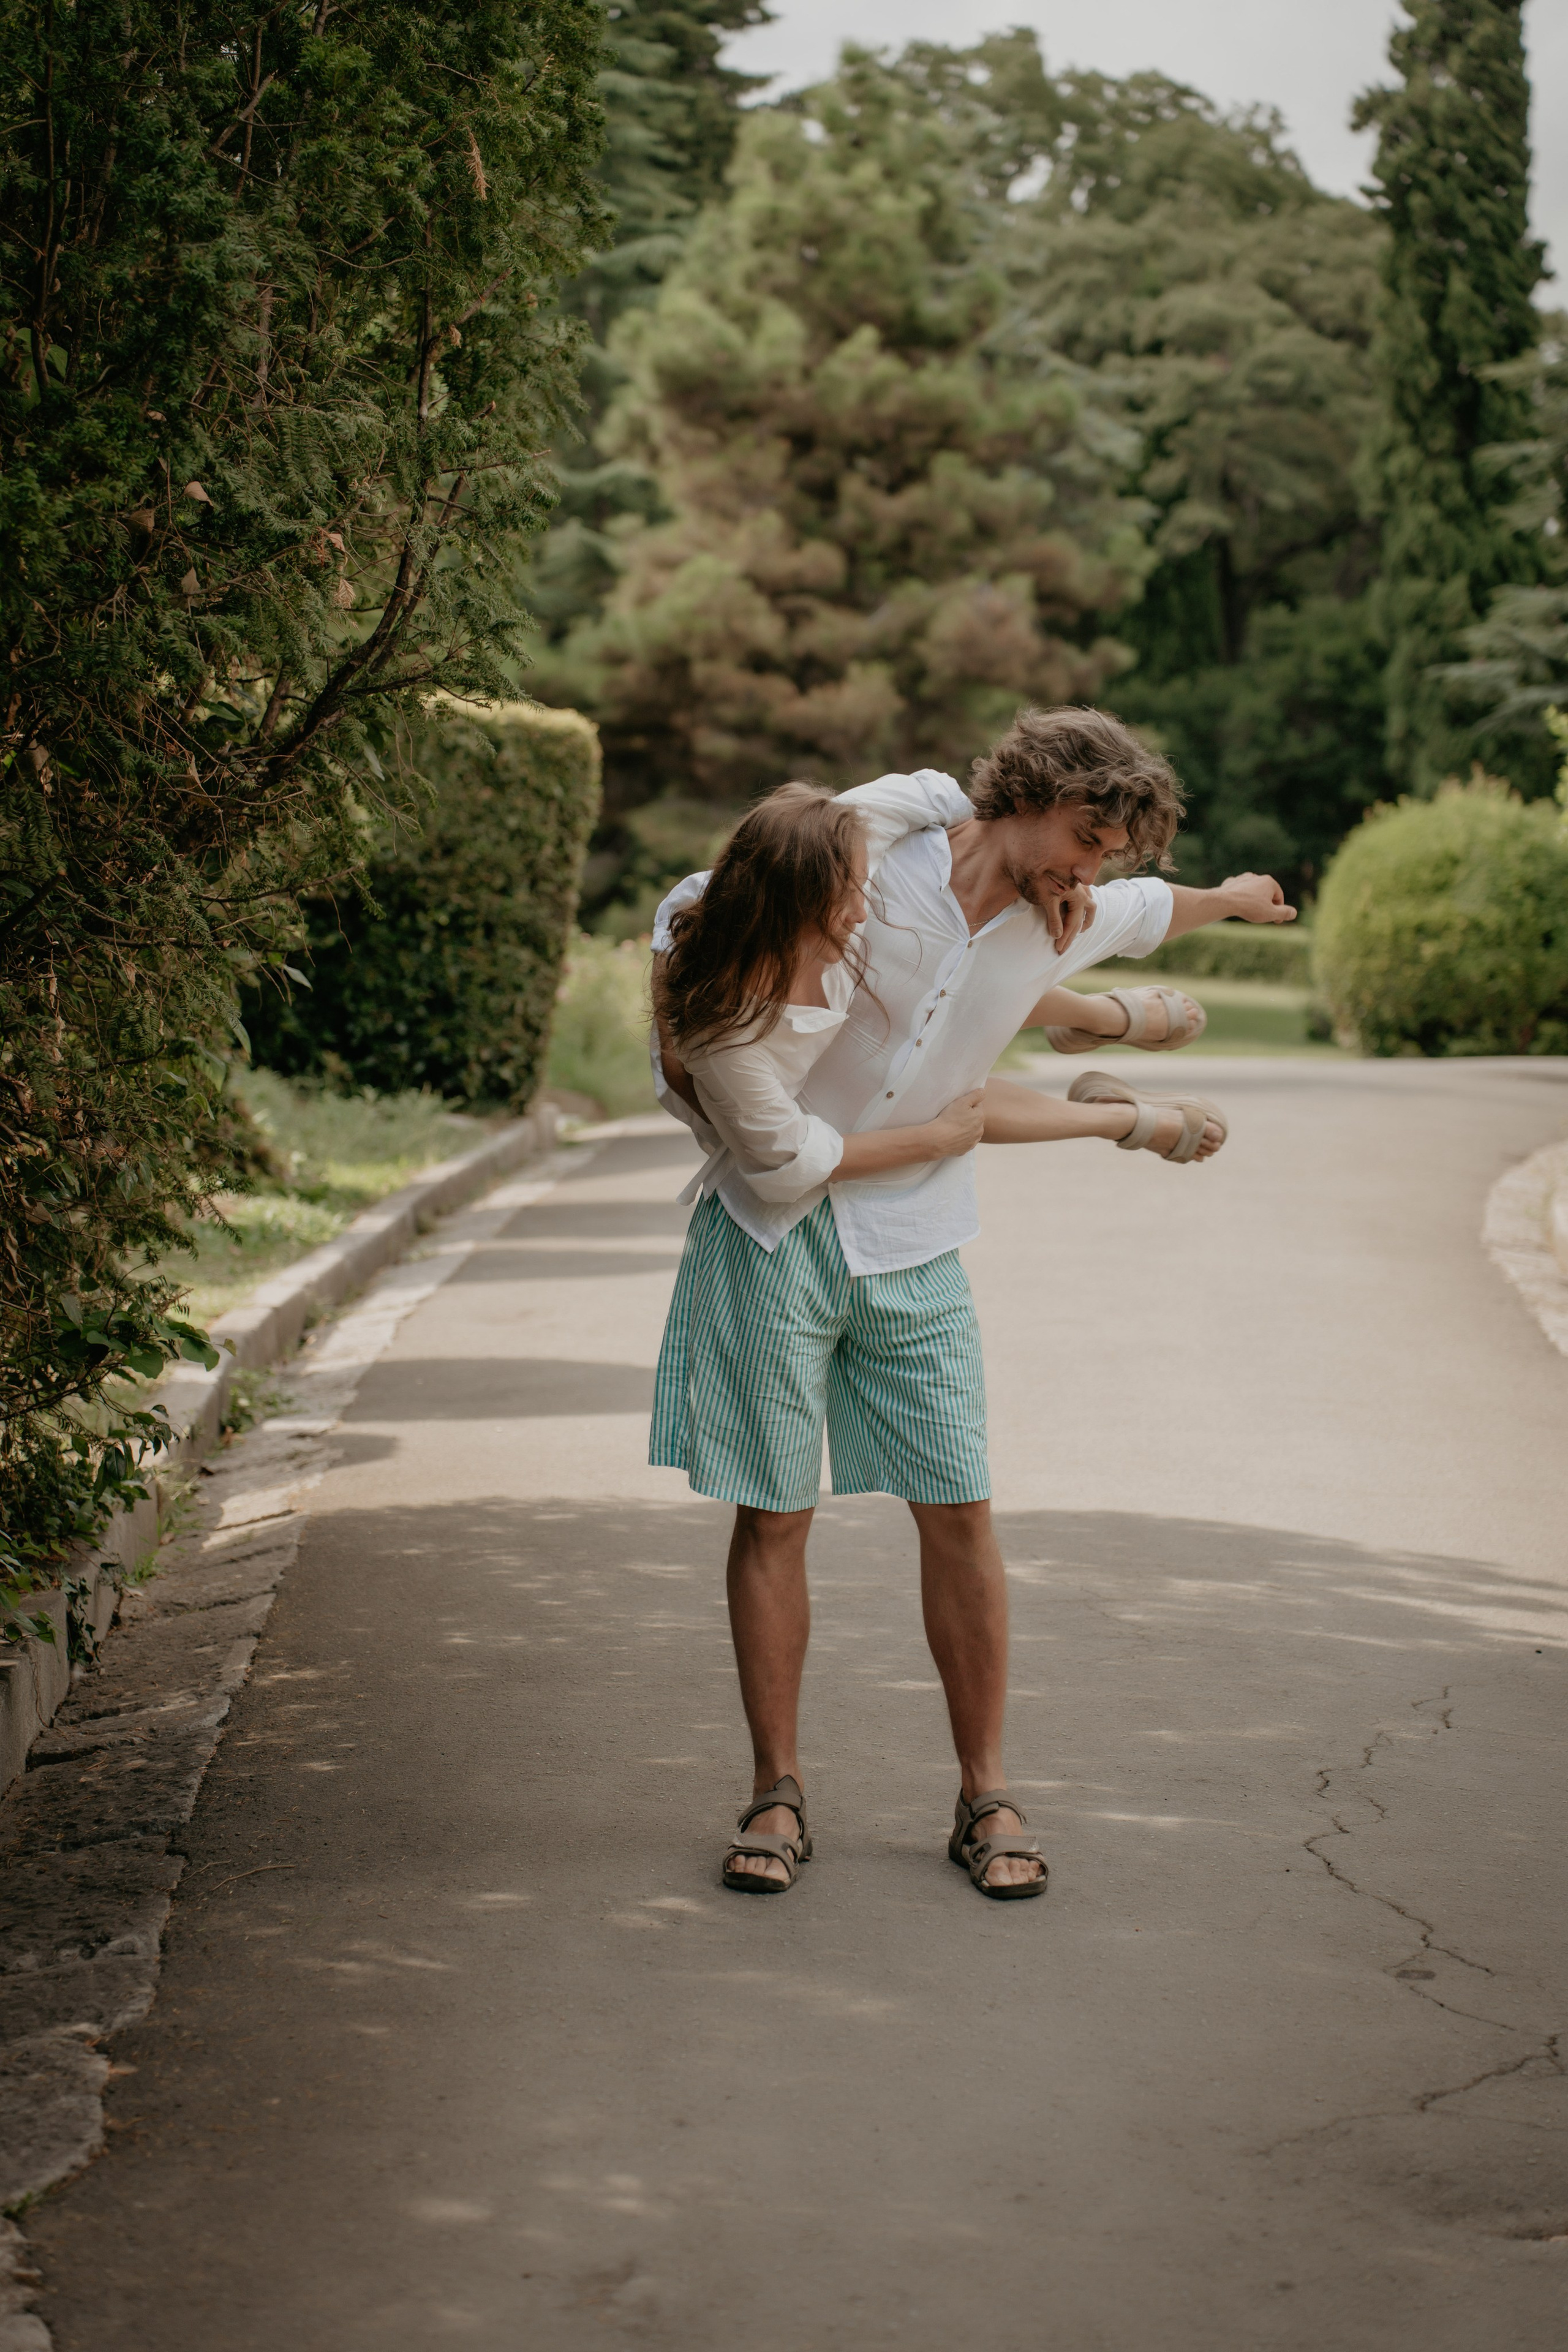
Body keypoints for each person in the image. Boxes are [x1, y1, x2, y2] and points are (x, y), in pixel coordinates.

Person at [650, 706, 1295, 1900]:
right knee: (775, 1517)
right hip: (775, 1232)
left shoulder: (1067, 914)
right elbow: (708, 891)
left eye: (1106, 857)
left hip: (917, 1243)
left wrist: (1236, 897)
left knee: (958, 1509)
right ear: (1028, 796)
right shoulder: (865, 856)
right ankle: (774, 1789)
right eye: (1085, 839)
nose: (1089, 870)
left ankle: (983, 1792)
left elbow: (1158, 911)